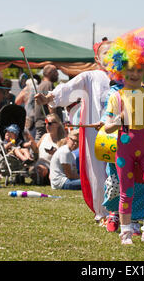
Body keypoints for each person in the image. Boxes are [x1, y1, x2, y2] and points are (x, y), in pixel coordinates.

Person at [34, 46, 111, 223]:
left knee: (121, 171)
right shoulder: (91, 76)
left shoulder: (127, 77)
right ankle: (103, 213)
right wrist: (48, 98)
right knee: (98, 172)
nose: (111, 55)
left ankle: (125, 213)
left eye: (115, 51)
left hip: (119, 131)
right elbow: (69, 88)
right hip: (96, 132)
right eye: (106, 52)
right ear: (97, 60)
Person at [104, 34, 144, 246]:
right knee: (126, 192)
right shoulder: (116, 96)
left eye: (140, 69)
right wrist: (119, 118)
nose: (135, 73)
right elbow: (108, 126)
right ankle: (126, 233)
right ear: (121, 70)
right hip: (125, 151)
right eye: (130, 68)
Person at [34, 113, 66, 185]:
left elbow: (65, 158)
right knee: (37, 169)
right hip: (40, 164)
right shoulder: (44, 136)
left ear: (57, 124)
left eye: (50, 123)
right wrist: (30, 141)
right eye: (46, 123)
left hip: (53, 168)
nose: (47, 126)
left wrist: (56, 153)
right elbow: (36, 150)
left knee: (40, 170)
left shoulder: (63, 140)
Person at [34, 64, 62, 141]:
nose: (58, 74)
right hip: (47, 125)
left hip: (43, 123)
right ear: (49, 72)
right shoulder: (48, 84)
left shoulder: (42, 85)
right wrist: (56, 122)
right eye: (56, 71)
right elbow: (51, 105)